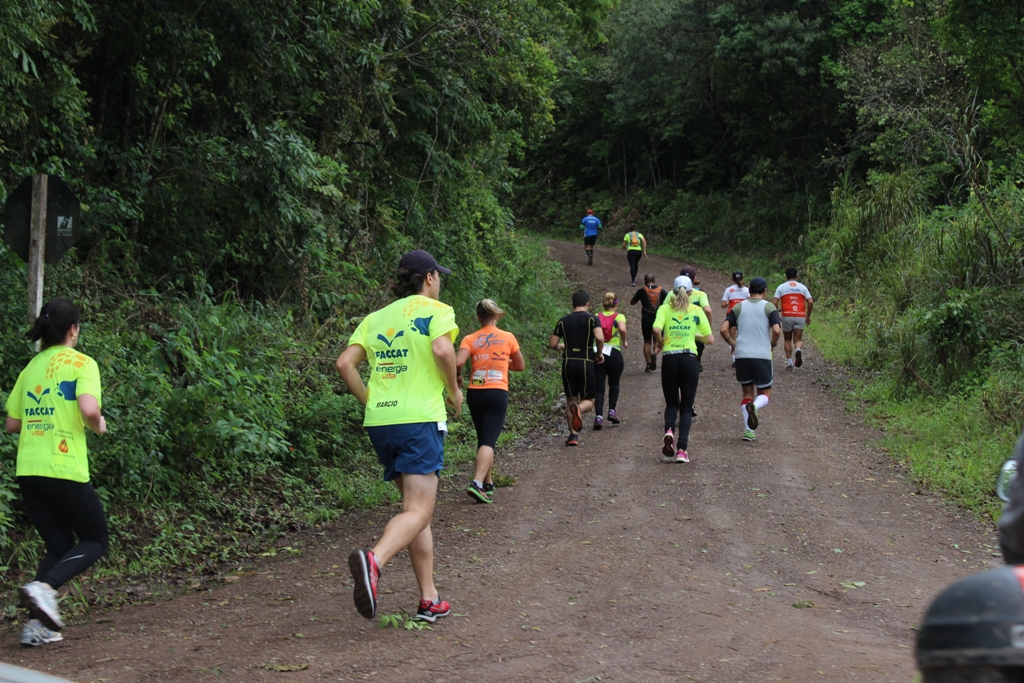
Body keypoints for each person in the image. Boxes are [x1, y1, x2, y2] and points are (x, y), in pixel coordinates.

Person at [336, 249, 462, 623]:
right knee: (420, 511)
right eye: (438, 276)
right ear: (428, 278)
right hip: (419, 420)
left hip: (381, 423)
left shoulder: (376, 318)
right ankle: (373, 562)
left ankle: (429, 598)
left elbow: (345, 363)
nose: (439, 282)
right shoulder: (436, 311)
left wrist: (370, 401)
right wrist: (454, 390)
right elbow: (442, 349)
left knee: (413, 512)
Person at [4, 298, 109, 647]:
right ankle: (44, 588)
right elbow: (89, 408)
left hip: (29, 470)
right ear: (73, 330)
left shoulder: (30, 368)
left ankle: (38, 626)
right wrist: (98, 425)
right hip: (63, 466)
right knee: (96, 539)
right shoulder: (82, 363)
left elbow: (12, 424)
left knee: (59, 544)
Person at [456, 299, 525, 504]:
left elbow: (458, 362)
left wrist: (459, 374)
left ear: (478, 317)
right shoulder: (508, 337)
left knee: (484, 438)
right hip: (497, 392)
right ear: (496, 315)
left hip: (475, 392)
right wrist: (502, 361)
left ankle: (488, 484)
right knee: (488, 440)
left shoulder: (470, 338)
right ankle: (477, 483)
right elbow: (520, 365)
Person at [653, 276, 713, 463]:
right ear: (690, 291)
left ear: (673, 291)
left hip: (670, 358)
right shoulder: (696, 310)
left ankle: (669, 430)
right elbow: (709, 338)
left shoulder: (665, 309)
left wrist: (662, 342)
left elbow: (655, 329)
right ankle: (681, 450)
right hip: (689, 359)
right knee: (686, 408)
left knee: (672, 404)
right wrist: (692, 334)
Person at [720, 277, 781, 441]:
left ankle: (748, 431)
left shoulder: (739, 307)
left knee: (747, 392)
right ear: (765, 291)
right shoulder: (769, 307)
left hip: (742, 355)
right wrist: (773, 344)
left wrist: (733, 343)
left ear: (750, 291)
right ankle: (754, 406)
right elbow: (776, 330)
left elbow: (724, 329)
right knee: (765, 393)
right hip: (762, 355)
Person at [550, 290, 604, 446]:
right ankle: (579, 409)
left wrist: (561, 346)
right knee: (590, 400)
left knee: (570, 399)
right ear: (588, 304)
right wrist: (599, 352)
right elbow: (599, 337)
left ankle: (573, 436)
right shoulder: (592, 319)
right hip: (585, 361)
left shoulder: (563, 321)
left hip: (568, 363)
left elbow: (552, 343)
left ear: (572, 303)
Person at [593, 292, 626, 430]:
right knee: (614, 383)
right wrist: (624, 341)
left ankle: (598, 416)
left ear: (603, 304)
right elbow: (622, 328)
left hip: (598, 351)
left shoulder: (596, 316)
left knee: (599, 386)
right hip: (614, 352)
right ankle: (612, 410)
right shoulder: (619, 316)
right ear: (616, 303)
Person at [772, 267, 814, 370]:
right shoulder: (802, 287)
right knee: (797, 339)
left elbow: (775, 302)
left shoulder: (781, 287)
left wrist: (776, 315)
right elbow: (810, 301)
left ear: (786, 276)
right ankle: (798, 349)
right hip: (800, 315)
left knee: (787, 339)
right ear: (797, 275)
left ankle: (790, 363)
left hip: (787, 315)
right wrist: (808, 316)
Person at [630, 274, 668, 372]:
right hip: (658, 318)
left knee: (647, 341)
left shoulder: (642, 290)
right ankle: (654, 354)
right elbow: (669, 302)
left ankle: (648, 364)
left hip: (646, 317)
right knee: (657, 341)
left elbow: (632, 302)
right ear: (654, 281)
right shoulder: (662, 290)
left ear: (644, 281)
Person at [678, 265, 713, 373]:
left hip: (680, 325)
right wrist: (708, 326)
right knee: (698, 346)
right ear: (694, 279)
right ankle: (696, 362)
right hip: (696, 326)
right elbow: (707, 310)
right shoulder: (700, 293)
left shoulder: (673, 293)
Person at [721, 271, 749, 367]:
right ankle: (743, 358)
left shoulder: (729, 290)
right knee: (743, 337)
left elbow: (723, 305)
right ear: (742, 278)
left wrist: (729, 302)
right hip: (743, 314)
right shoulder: (746, 290)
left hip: (731, 315)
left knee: (732, 338)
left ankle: (734, 360)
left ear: (732, 279)